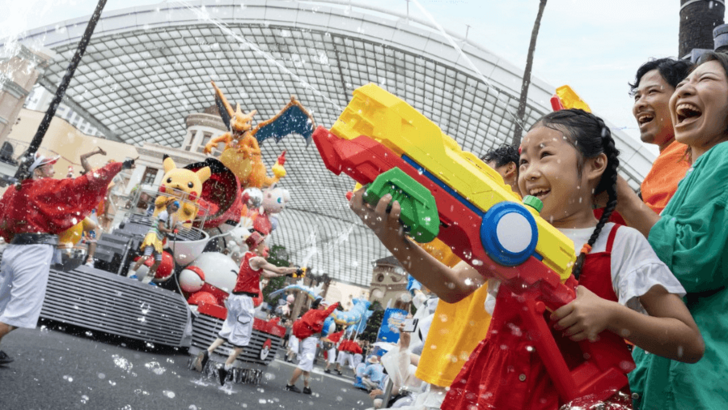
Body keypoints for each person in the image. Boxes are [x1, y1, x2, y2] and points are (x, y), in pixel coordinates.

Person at [349, 108, 704, 409]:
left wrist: (611, 314)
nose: (529, 172)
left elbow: (688, 342)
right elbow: (454, 286)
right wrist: (390, 235)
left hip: (576, 396)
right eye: (523, 161)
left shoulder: (620, 242)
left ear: (595, 165)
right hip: (493, 388)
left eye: (545, 155)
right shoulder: (508, 232)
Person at [623, 52, 728, 410]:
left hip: (699, 381)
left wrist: (625, 200)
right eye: (682, 84)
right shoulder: (698, 166)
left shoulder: (724, 156)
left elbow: (691, 264)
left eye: (705, 81)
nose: (685, 90)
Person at [0, 155, 131, 365]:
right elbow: (82, 183)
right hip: (34, 251)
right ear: (38, 171)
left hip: (12, 249)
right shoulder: (43, 187)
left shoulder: (12, 191)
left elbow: (3, 222)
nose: (53, 171)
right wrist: (117, 166)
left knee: (2, 304)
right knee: (20, 313)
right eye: (49, 167)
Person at [194, 231, 299, 385]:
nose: (265, 244)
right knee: (241, 343)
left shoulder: (248, 257)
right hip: (244, 301)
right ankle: (226, 367)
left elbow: (270, 273)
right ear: (257, 245)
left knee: (227, 329)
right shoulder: (258, 259)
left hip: (234, 298)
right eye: (263, 241)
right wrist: (295, 270)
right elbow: (279, 270)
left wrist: (291, 274)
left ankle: (207, 352)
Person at [285, 297, 340, 394]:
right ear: (319, 305)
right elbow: (327, 313)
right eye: (324, 305)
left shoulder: (310, 312)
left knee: (307, 365)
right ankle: (290, 384)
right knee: (303, 365)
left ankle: (307, 387)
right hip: (310, 341)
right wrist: (336, 304)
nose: (325, 307)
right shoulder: (318, 313)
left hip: (305, 339)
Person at [128, 198, 180, 285]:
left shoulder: (170, 218)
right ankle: (131, 273)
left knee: (158, 261)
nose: (176, 208)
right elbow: (161, 227)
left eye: (177, 207)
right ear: (170, 205)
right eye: (175, 205)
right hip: (153, 235)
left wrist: (175, 228)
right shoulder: (164, 214)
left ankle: (147, 279)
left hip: (159, 239)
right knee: (146, 256)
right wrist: (170, 231)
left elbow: (168, 229)